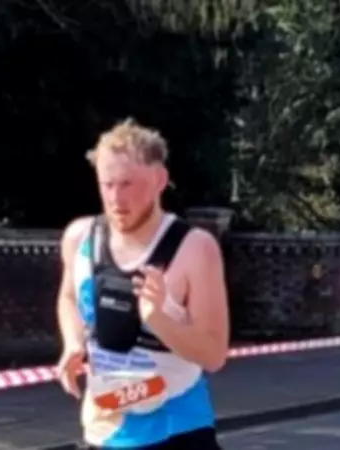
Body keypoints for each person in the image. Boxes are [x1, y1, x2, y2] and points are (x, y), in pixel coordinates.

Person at [55, 119, 230, 449]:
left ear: (159, 180)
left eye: (128, 184)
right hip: (105, 429)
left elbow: (214, 355)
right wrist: (73, 341)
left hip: (177, 430)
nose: (116, 198)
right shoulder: (79, 237)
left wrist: (158, 320)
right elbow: (68, 297)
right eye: (107, 185)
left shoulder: (194, 248)